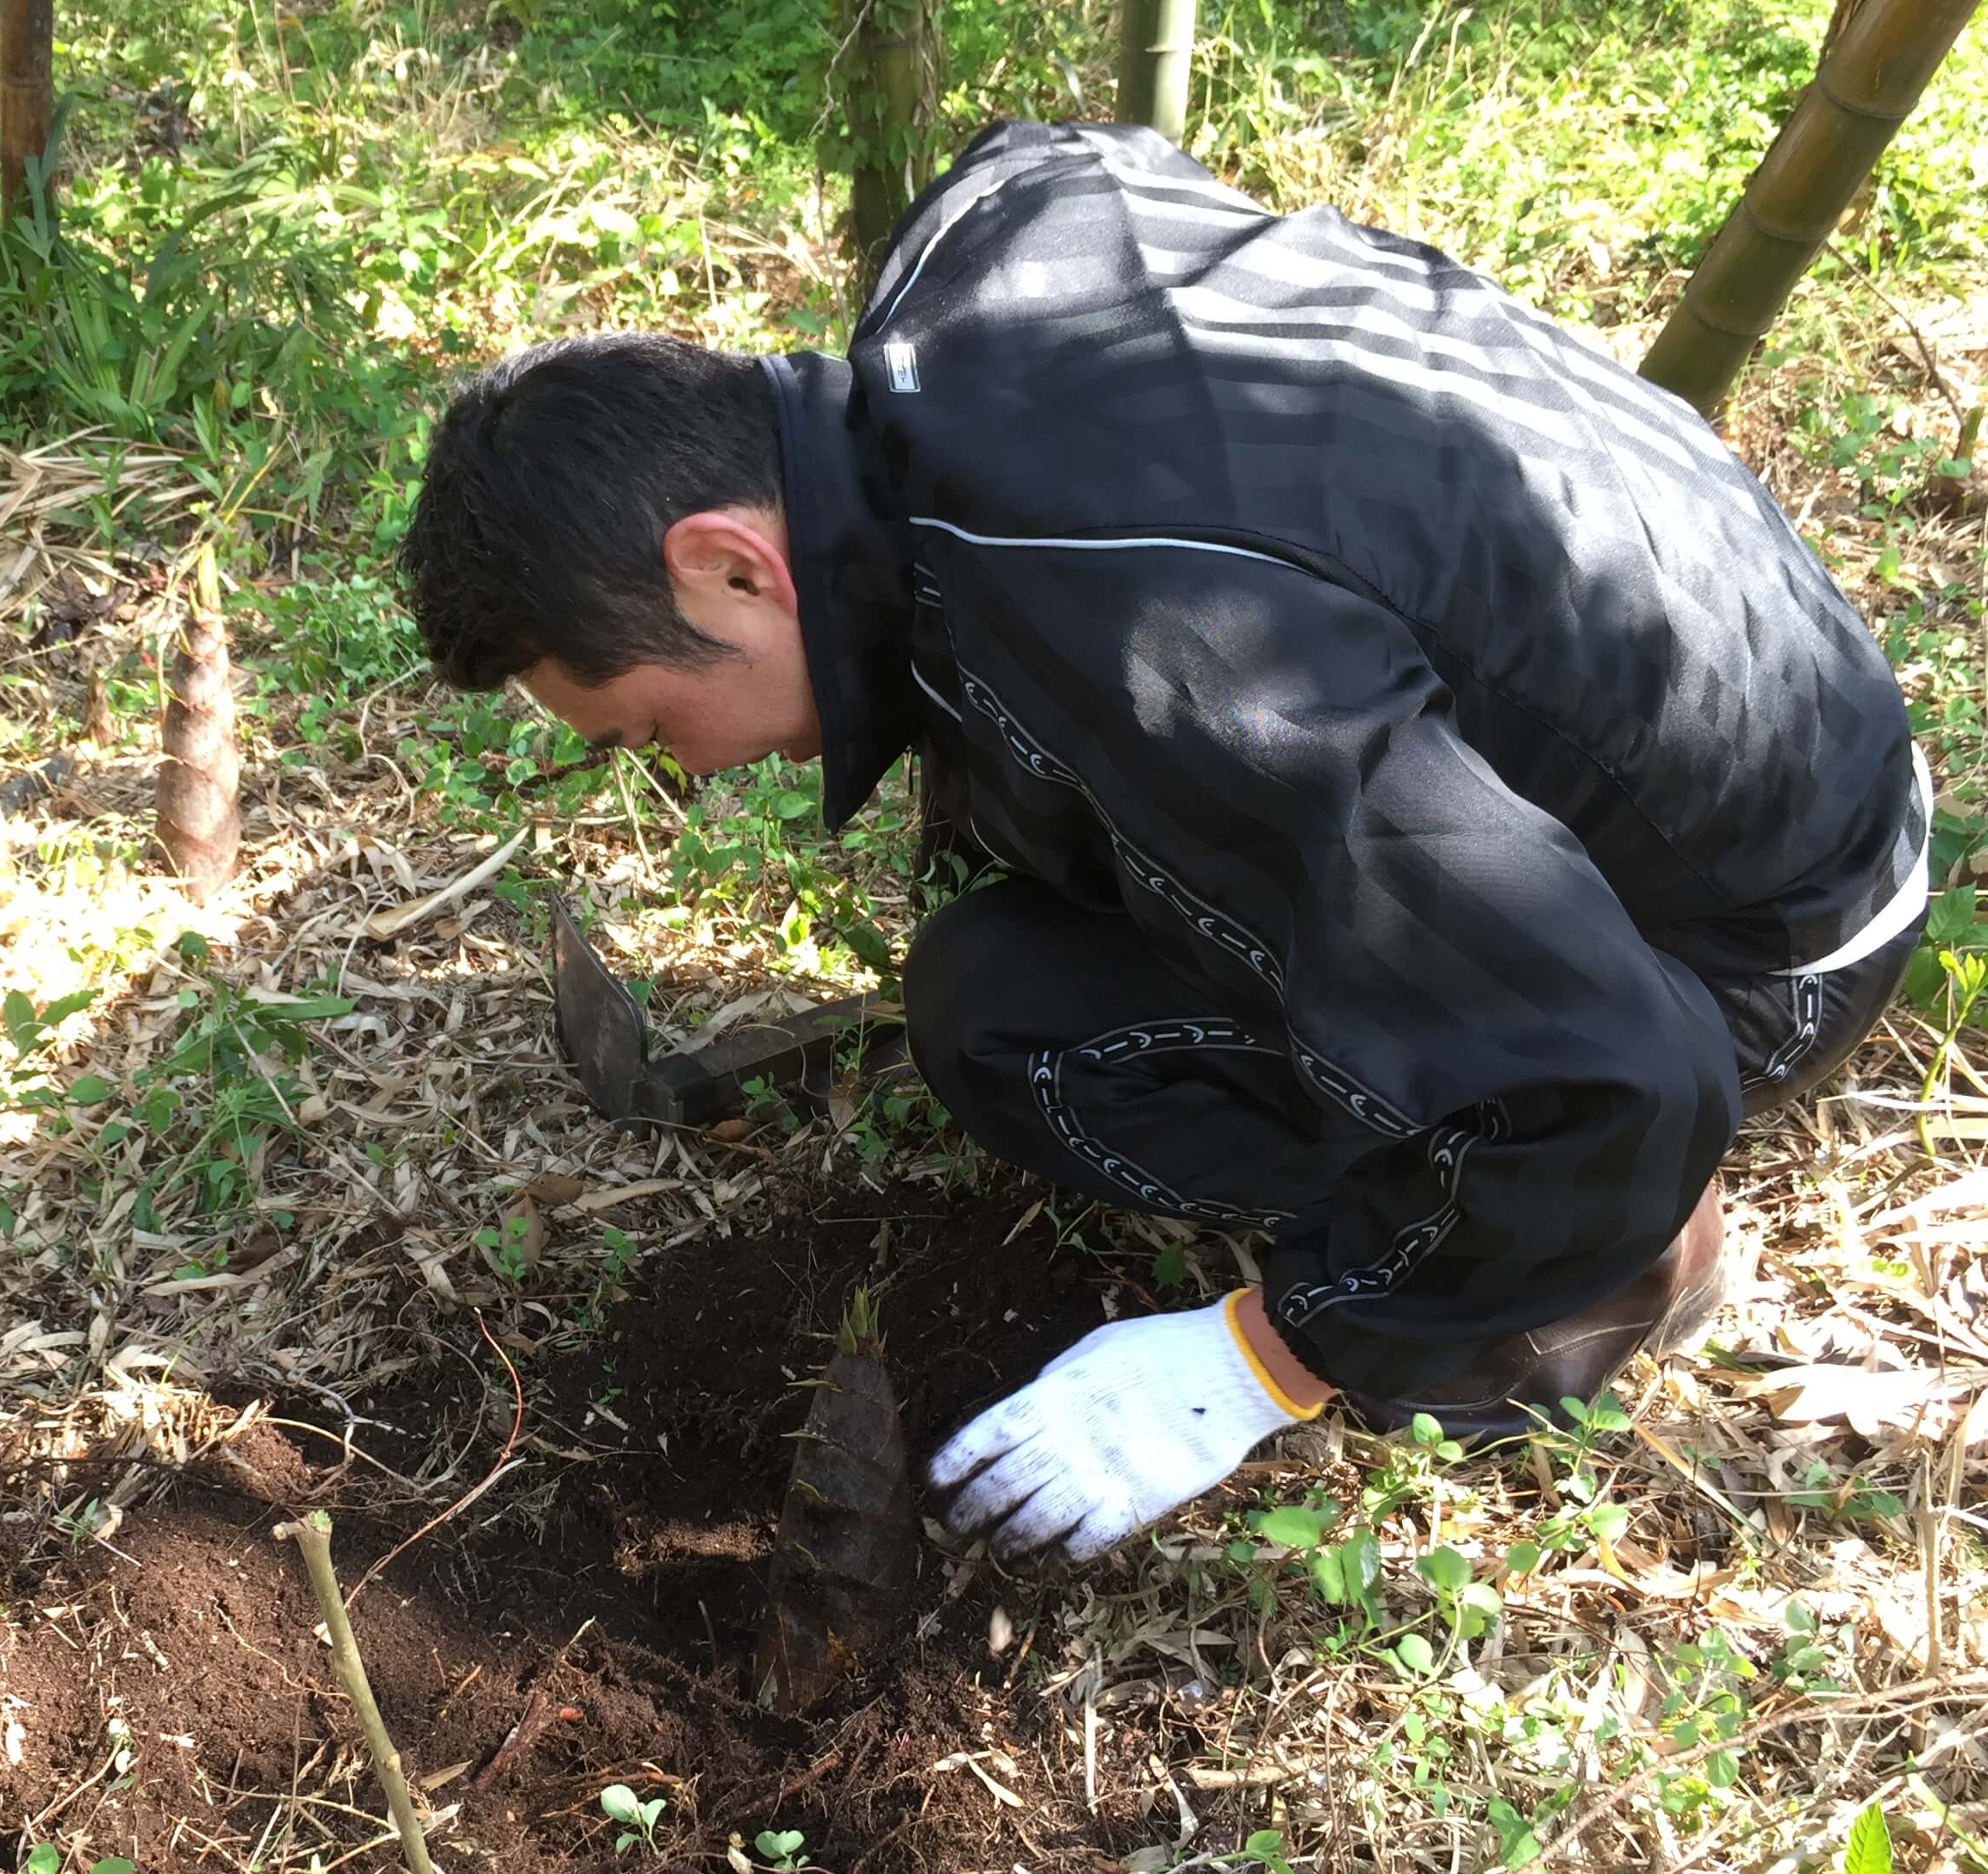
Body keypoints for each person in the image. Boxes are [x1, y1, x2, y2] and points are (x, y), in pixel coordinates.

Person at [395, 120, 1929, 1563]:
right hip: (1769, 721)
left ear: (732, 567)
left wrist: (1265, 1357)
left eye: (653, 732)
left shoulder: (1165, 656)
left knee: (1006, 1021)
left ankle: (1598, 1269)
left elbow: (1620, 1077)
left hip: (1758, 936)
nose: (691, 775)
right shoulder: (985, 241)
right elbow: (1099, 164)